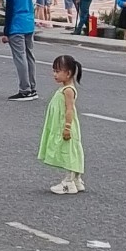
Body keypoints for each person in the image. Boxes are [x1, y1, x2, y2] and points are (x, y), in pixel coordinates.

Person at [39, 54, 85, 194]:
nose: (54, 74)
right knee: (71, 151)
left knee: (68, 152)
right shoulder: (64, 88)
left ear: (68, 73)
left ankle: (69, 182)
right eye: (54, 71)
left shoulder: (68, 90)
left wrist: (67, 128)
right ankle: (77, 180)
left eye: (58, 71)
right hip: (63, 124)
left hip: (66, 125)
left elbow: (70, 109)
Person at [1, 0, 37, 100]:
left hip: (16, 23)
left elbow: (9, 9)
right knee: (29, 56)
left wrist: (6, 31)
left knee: (20, 57)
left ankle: (25, 89)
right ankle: (32, 87)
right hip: (29, 20)